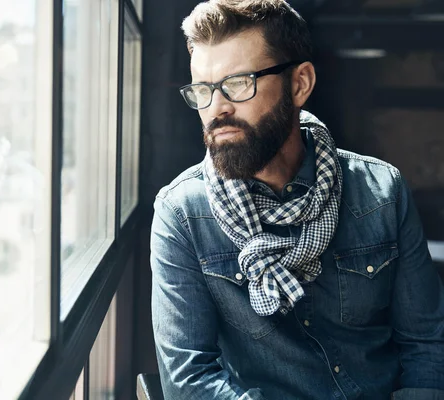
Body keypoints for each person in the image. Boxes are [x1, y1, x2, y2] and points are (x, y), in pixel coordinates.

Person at [149, 1, 444, 399]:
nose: (217, 109)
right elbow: (190, 381)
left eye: (238, 83)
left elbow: (425, 345)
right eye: (203, 90)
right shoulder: (182, 214)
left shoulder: (382, 192)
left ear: (300, 83)